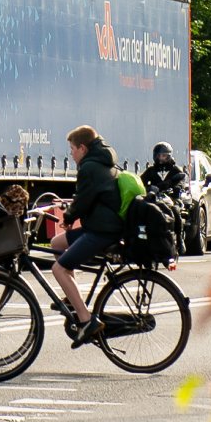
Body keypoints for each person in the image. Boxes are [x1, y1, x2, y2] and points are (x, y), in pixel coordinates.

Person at [51, 125, 123, 345]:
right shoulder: (101, 162)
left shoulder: (89, 167)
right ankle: (74, 300)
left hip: (102, 230)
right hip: (102, 225)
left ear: (82, 148)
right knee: (56, 243)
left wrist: (69, 217)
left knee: (58, 269)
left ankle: (86, 320)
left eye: (72, 149)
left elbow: (83, 200)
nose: (71, 154)